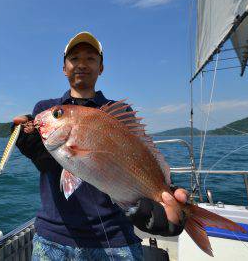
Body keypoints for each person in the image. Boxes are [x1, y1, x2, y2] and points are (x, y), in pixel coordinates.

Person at [13, 32, 188, 261]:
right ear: (64, 68)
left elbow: (139, 156)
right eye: (74, 58)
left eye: (90, 59)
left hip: (116, 241)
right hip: (52, 237)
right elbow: (47, 163)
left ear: (101, 68)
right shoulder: (45, 107)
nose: (82, 64)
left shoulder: (120, 113)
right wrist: (34, 150)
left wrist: (164, 194)